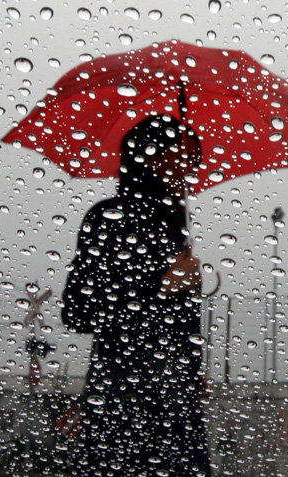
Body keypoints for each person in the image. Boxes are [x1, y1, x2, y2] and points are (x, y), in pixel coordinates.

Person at [61, 115, 211, 476]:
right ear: (152, 157)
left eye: (194, 158)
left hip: (174, 396)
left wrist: (192, 367)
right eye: (183, 155)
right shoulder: (108, 218)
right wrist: (162, 287)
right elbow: (77, 312)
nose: (191, 168)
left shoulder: (173, 225)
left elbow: (177, 321)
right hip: (122, 395)